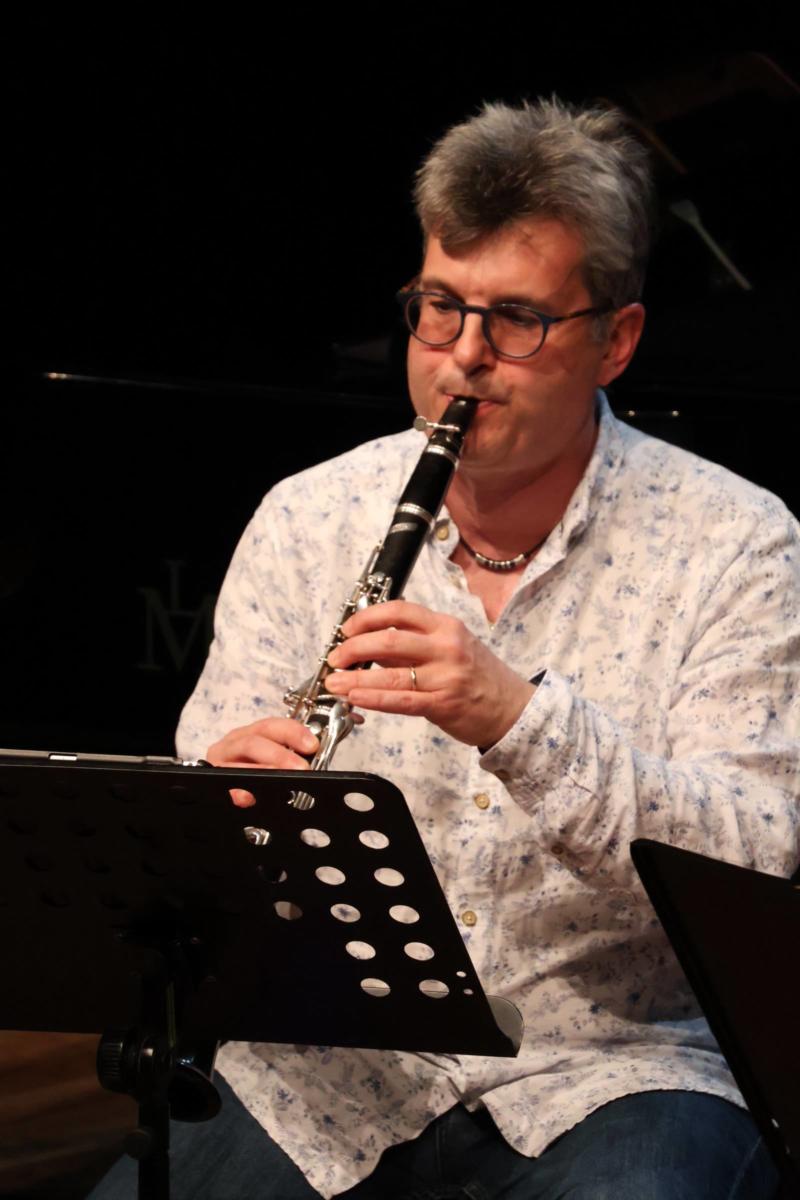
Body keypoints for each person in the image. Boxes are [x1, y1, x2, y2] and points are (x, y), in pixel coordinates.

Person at [94, 99, 795, 1198]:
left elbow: (755, 856)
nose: (463, 359)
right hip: (337, 1057)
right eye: (439, 309)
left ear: (614, 341)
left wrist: (520, 722)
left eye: (516, 320)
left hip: (615, 1067)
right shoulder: (310, 516)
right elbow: (203, 831)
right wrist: (222, 811)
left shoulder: (737, 542)